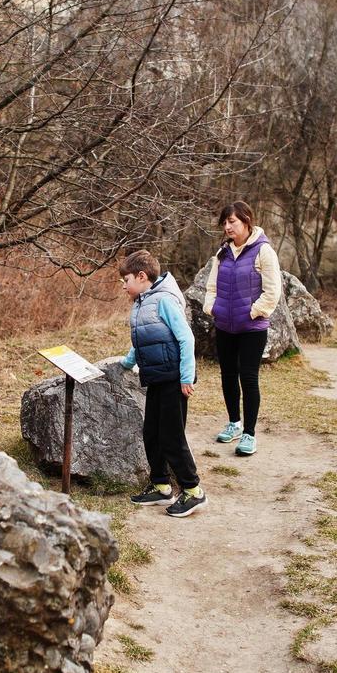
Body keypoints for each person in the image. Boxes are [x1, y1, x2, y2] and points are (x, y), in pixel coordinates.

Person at [117, 250, 206, 518]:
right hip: (156, 377)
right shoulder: (142, 301)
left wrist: (186, 377)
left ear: (142, 276)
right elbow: (144, 338)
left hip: (174, 378)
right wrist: (127, 361)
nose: (124, 285)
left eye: (126, 279)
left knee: (171, 436)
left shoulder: (164, 300)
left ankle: (193, 491)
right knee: (152, 433)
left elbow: (186, 339)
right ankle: (161, 485)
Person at [202, 200, 281, 457]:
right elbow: (212, 287)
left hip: (252, 328)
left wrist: (251, 312)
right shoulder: (222, 253)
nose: (227, 227)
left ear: (246, 220)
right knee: (227, 374)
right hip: (224, 325)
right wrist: (211, 308)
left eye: (232, 221)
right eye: (224, 223)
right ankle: (234, 423)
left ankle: (249, 433)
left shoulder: (263, 250)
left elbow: (273, 292)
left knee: (248, 378)